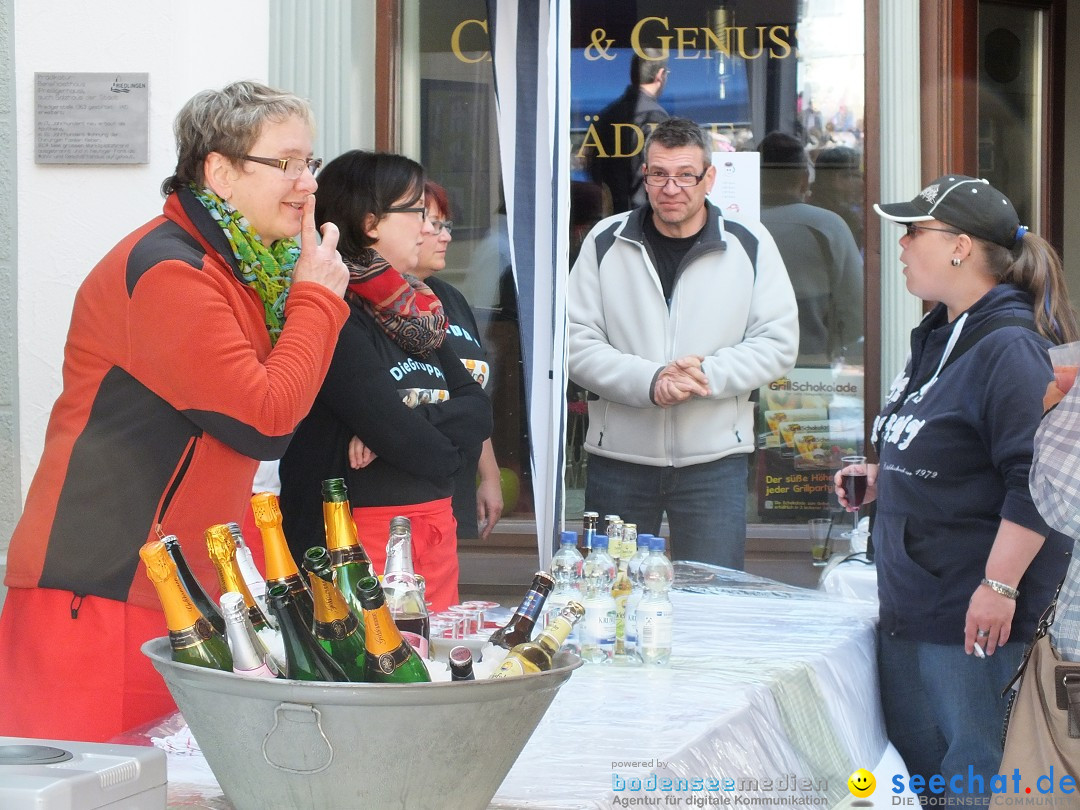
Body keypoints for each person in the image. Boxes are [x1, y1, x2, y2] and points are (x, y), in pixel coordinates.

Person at [0, 81, 350, 742]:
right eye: (287, 163)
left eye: (312, 163)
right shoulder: (170, 271)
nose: (307, 183)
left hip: (177, 588)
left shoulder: (240, 269)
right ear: (219, 171)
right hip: (104, 592)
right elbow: (264, 421)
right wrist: (316, 301)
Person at [835, 175, 1077, 801]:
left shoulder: (1010, 349)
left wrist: (998, 587)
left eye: (914, 231)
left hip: (975, 618)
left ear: (960, 246)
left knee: (976, 780)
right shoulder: (940, 336)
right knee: (925, 780)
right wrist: (886, 477)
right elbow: (956, 453)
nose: (902, 245)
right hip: (916, 605)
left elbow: (1038, 483)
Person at [567, 117, 799, 569]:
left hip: (715, 462)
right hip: (619, 460)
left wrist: (705, 375)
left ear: (709, 177)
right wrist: (651, 381)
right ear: (645, 175)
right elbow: (576, 343)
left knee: (715, 599)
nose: (671, 188)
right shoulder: (604, 241)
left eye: (685, 175)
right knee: (610, 599)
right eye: (658, 174)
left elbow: (777, 341)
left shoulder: (749, 243)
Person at [278, 151, 492, 612]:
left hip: (428, 530)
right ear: (371, 223)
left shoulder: (417, 310)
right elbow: (414, 442)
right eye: (416, 212)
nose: (426, 227)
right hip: (352, 543)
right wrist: (426, 441)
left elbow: (479, 409)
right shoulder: (332, 306)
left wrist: (407, 424)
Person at [413, 180, 503, 540]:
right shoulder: (381, 308)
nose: (445, 236)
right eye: (433, 225)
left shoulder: (451, 298)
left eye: (445, 225)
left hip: (459, 480)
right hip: (407, 484)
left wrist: (491, 475)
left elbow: (471, 393)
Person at [758, 131, 863, 366]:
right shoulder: (829, 226)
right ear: (805, 178)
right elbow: (855, 310)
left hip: (740, 366)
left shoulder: (733, 224)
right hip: (810, 365)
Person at [590, 48, 670, 213]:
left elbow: (593, 166)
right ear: (660, 75)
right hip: (642, 216)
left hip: (613, 213)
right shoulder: (653, 115)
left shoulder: (608, 114)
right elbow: (660, 173)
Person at [811, 145, 865, 252]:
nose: (862, 183)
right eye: (856, 175)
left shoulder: (853, 214)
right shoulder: (818, 220)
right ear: (835, 179)